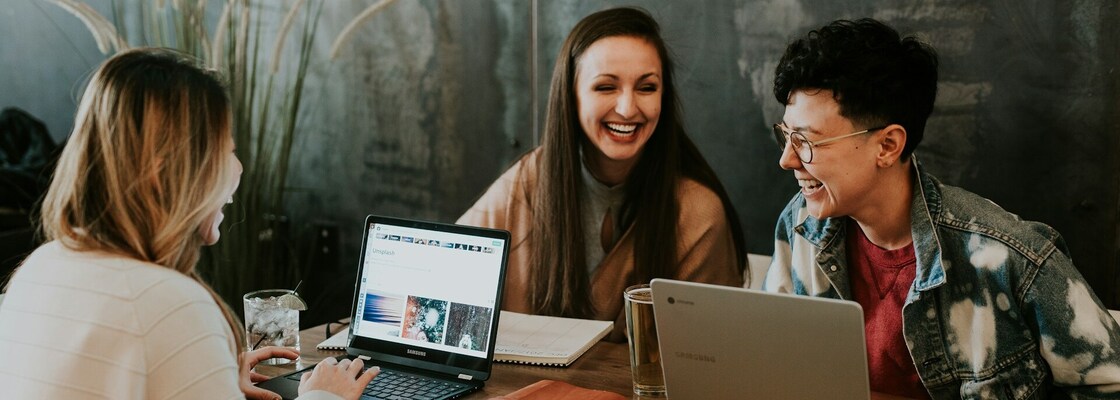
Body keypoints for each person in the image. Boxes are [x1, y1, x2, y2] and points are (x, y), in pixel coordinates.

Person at [762, 18, 1120, 398]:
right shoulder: (800, 225)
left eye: (804, 141)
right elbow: (772, 362)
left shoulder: (1010, 259)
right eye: (786, 135)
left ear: (886, 146)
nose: (787, 160)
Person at [0, 48, 378, 400]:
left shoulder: (38, 268)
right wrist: (324, 395)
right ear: (170, 172)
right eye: (227, 151)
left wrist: (206, 372)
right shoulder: (170, 306)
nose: (239, 168)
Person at [458, 7, 746, 341]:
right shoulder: (526, 182)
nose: (627, 108)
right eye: (606, 87)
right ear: (572, 96)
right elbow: (445, 274)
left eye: (647, 87)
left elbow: (711, 354)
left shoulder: (698, 212)